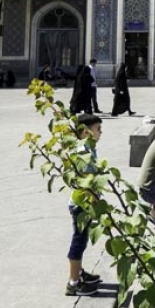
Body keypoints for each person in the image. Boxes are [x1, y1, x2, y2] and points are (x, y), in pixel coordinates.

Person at [65, 113, 104, 297]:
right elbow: (85, 181)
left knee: (83, 239)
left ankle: (79, 272)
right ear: (83, 132)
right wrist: (95, 202)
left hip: (85, 202)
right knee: (79, 241)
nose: (100, 132)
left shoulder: (87, 146)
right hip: (82, 204)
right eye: (97, 129)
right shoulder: (82, 151)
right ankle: (73, 283)